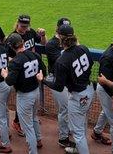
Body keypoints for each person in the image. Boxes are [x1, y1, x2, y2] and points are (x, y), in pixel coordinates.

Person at [43, 24, 94, 154]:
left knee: (77, 133)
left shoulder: (62, 60)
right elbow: (91, 64)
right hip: (89, 90)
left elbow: (58, 87)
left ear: (60, 37)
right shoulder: (83, 48)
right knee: (82, 123)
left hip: (77, 97)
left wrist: (42, 80)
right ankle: (77, 148)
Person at [2, 33, 46, 154]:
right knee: (34, 117)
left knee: (27, 127)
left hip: (25, 97)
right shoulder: (35, 55)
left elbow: (10, 82)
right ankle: (38, 140)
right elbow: (44, 71)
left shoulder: (15, 61)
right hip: (36, 92)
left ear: (11, 47)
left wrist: (5, 75)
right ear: (22, 42)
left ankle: (33, 151)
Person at [7, 14, 47, 136]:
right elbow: (7, 56)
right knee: (23, 98)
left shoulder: (31, 32)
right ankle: (17, 122)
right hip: (21, 73)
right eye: (22, 25)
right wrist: (18, 62)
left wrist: (43, 35)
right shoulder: (12, 37)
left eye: (26, 26)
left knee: (33, 97)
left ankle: (31, 118)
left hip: (33, 69)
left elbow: (44, 43)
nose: (24, 28)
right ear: (17, 23)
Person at [44, 17, 75, 148]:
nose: (68, 36)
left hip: (65, 79)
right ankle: (63, 138)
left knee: (66, 107)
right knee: (65, 108)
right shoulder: (51, 44)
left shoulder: (69, 43)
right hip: (55, 78)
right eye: (65, 33)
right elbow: (61, 60)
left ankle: (66, 129)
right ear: (58, 29)